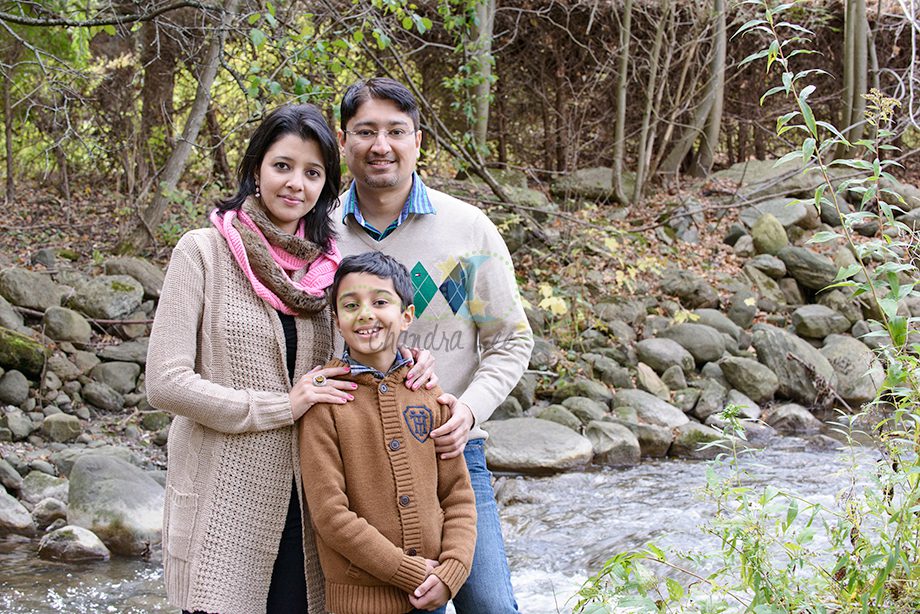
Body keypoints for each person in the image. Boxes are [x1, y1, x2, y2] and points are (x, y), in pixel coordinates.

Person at [145, 103, 435, 614]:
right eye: (283, 165)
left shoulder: (328, 272)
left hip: (311, 503)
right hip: (224, 500)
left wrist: (408, 361)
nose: (295, 183)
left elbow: (358, 352)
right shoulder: (203, 252)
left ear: (326, 186)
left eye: (313, 172)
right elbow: (165, 383)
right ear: (256, 167)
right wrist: (283, 405)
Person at [333, 77, 534, 612]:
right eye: (366, 131)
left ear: (418, 141)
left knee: (489, 604)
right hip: (355, 456)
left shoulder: (468, 229)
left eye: (396, 131)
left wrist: (467, 413)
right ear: (342, 140)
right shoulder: (319, 232)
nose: (382, 145)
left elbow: (509, 341)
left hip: (451, 452)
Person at [298, 251, 477, 614]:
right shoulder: (326, 403)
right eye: (350, 305)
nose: (365, 314)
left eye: (380, 302)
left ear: (406, 315)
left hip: (430, 594)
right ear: (336, 320)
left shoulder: (430, 397)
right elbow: (331, 516)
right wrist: (407, 571)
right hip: (361, 602)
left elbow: (457, 496)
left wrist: (451, 572)